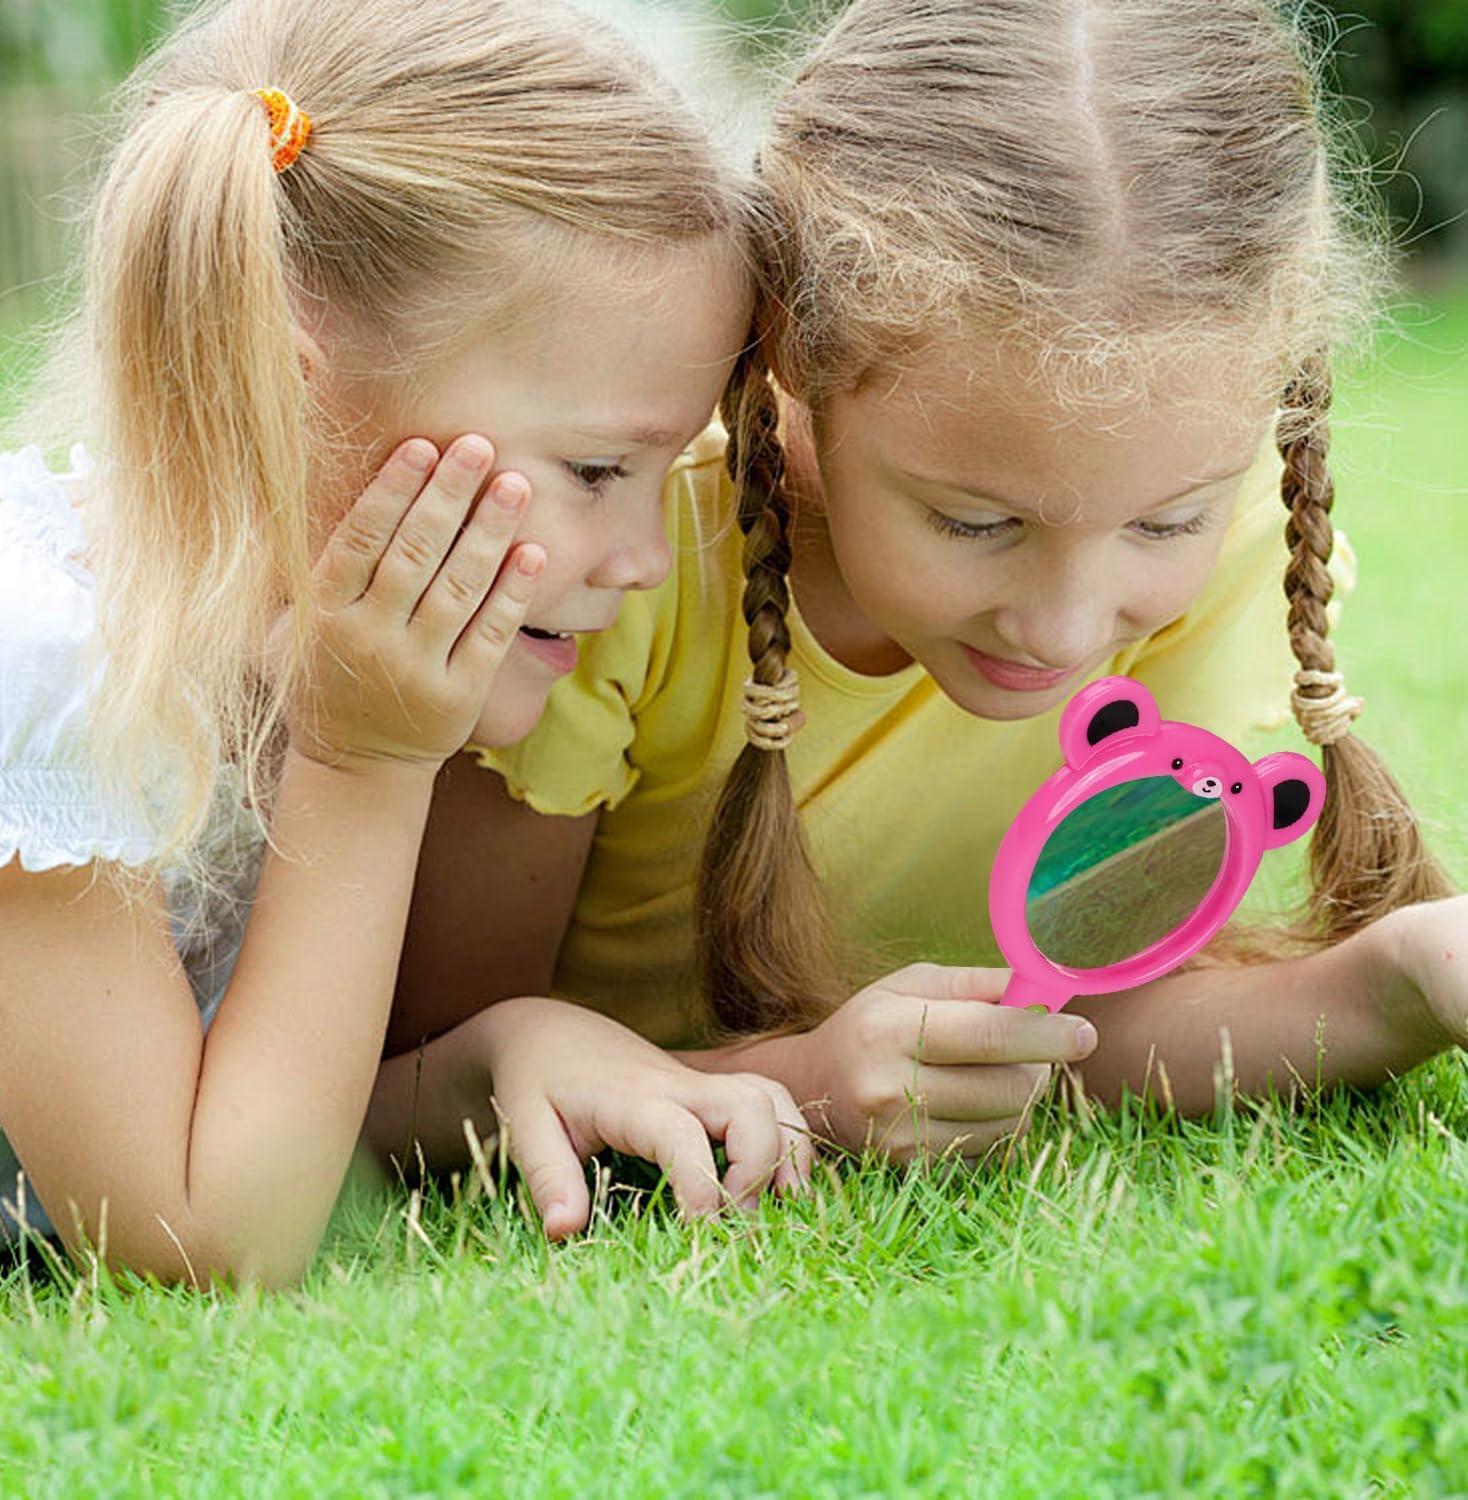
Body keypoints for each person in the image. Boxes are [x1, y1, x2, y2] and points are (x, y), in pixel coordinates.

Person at [385, 0, 1466, 1164]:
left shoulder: (1246, 545)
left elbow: (1085, 1021)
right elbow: (422, 1069)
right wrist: (800, 1083)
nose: (1062, 630)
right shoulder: (622, 564)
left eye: (1166, 520)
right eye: (974, 521)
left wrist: (1395, 980)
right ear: (795, 344)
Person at [0, 0, 813, 1287]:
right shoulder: (35, 658)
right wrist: (362, 764)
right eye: (595, 470)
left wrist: (503, 1053)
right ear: (283, 390)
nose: (645, 560)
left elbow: (263, 1114)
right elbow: (204, 1240)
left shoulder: (322, 640)